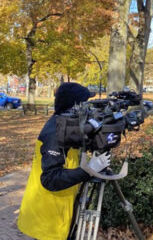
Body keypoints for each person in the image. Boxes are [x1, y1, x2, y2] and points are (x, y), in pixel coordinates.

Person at [18, 83, 111, 240]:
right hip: (48, 217)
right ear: (74, 106)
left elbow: (76, 144)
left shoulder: (67, 125)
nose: (88, 108)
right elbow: (50, 179)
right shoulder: (55, 134)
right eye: (85, 104)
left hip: (61, 211)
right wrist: (88, 170)